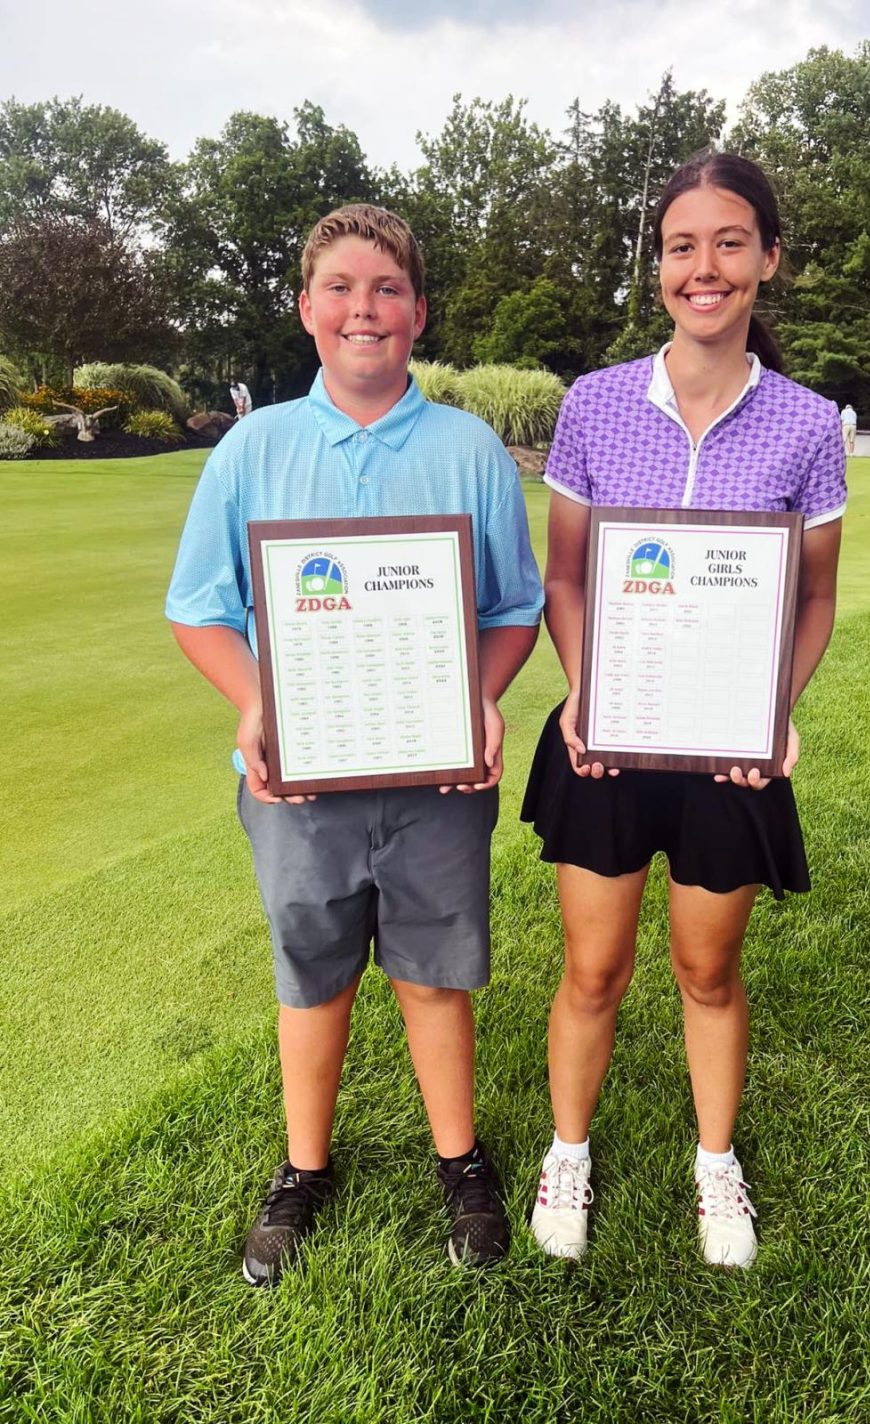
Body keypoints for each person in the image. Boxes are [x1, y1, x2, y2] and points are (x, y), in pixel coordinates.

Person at [166, 204, 543, 1285]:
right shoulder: (254, 446)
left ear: (418, 311)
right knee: (314, 972)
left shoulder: (469, 449)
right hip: (299, 782)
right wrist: (253, 703)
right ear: (306, 310)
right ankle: (303, 1167)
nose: (362, 308)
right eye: (339, 286)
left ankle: (460, 1161)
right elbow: (199, 606)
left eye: (385, 288)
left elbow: (513, 606)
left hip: (434, 773)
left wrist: (481, 691)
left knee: (433, 973)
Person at [521, 152, 846, 1268]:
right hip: (604, 742)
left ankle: (716, 1167)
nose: (702, 268)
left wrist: (774, 708)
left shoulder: (807, 422)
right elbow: (565, 577)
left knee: (708, 971)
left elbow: (813, 595)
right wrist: (580, 688)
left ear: (767, 259)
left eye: (727, 242)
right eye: (679, 245)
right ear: (658, 263)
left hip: (727, 758)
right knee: (592, 971)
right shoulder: (596, 404)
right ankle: (570, 1148)